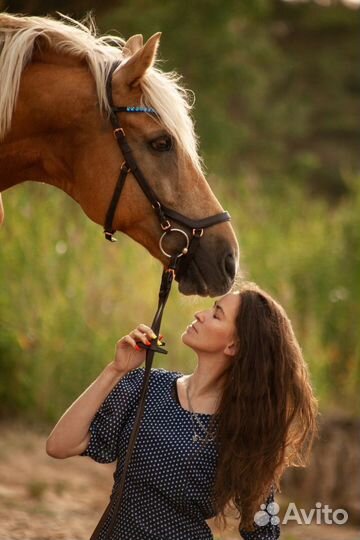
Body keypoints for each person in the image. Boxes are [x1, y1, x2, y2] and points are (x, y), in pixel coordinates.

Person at [46, 281, 318, 539]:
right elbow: (59, 446)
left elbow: (264, 530)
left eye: (216, 314)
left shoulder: (241, 427)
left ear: (233, 345)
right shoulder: (146, 385)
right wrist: (116, 370)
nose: (200, 314)